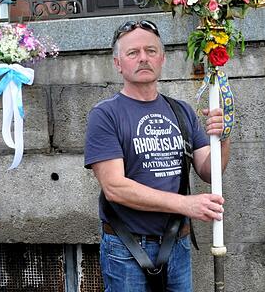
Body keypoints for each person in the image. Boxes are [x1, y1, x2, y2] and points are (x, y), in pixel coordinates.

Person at [84, 20, 231, 291]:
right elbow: (115, 188)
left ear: (162, 58)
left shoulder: (182, 111)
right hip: (126, 248)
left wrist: (222, 137)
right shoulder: (105, 115)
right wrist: (186, 205)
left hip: (176, 243)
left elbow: (210, 172)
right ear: (118, 63)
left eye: (151, 51)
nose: (143, 58)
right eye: (133, 53)